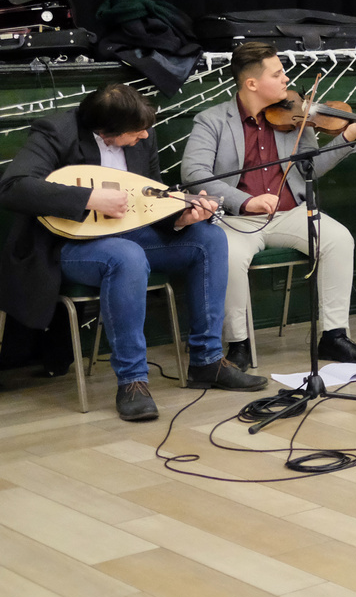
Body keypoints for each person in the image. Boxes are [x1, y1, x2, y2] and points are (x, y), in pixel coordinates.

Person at [0, 84, 266, 420]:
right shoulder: (57, 132)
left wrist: (181, 217)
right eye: (136, 131)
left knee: (208, 238)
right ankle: (132, 382)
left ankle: (207, 361)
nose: (144, 135)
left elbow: (151, 199)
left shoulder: (143, 135)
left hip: (131, 234)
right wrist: (89, 199)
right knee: (126, 256)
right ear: (106, 131)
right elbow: (13, 187)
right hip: (67, 244)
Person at [182, 43, 356, 366]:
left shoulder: (294, 115)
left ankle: (334, 336)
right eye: (277, 75)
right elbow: (194, 174)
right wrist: (246, 201)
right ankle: (238, 344)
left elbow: (311, 168)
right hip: (234, 219)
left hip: (289, 213)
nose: (286, 79)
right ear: (252, 83)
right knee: (229, 256)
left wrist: (349, 136)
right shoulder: (212, 120)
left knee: (339, 239)